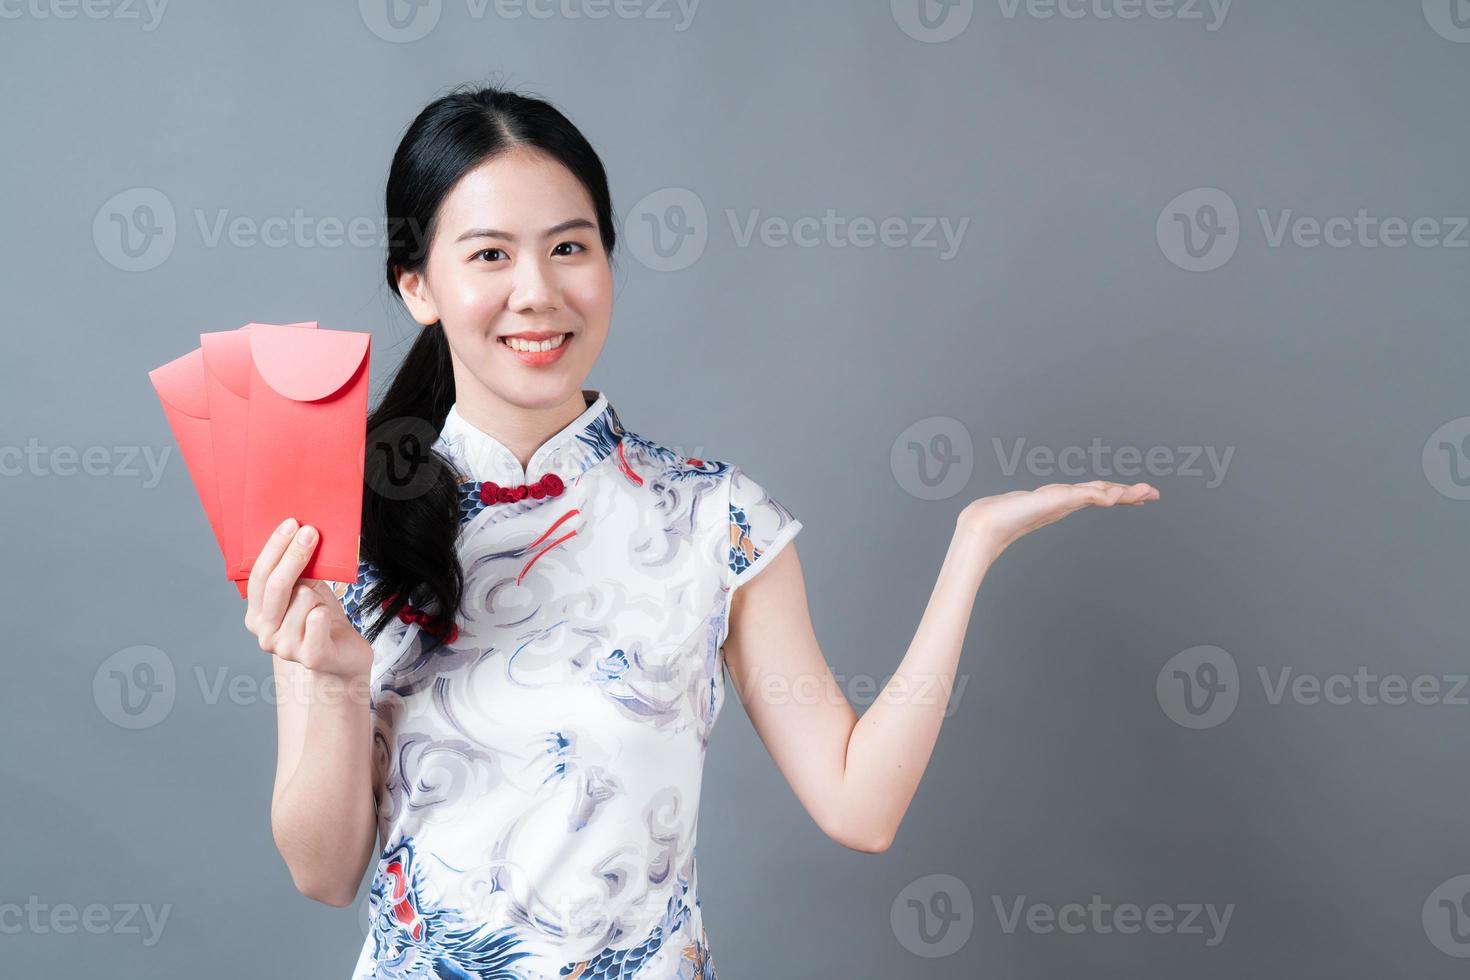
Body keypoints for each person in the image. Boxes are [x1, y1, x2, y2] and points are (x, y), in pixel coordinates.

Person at [242, 82, 1160, 980]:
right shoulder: (347, 525)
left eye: (570, 246)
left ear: (607, 261)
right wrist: (332, 680)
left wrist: (970, 550)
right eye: (488, 256)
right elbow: (323, 875)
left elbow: (860, 805)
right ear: (418, 287)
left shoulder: (714, 518)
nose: (537, 292)